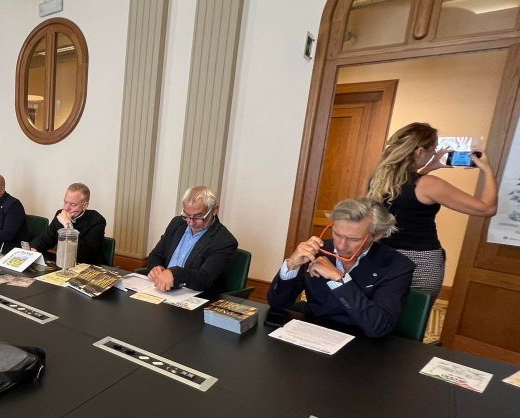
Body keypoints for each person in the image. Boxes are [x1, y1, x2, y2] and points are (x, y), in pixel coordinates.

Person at [367, 122, 498, 299]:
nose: (435, 153)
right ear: (420, 152)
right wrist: (487, 169)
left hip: (382, 256)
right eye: (434, 149)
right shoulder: (428, 185)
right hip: (420, 263)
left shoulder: (378, 179)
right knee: (414, 313)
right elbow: (487, 208)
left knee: (382, 309)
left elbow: (405, 194)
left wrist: (428, 168)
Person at [267, 197, 415, 338]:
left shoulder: (397, 266)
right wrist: (292, 265)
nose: (341, 245)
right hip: (312, 333)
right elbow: (277, 304)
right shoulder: (317, 250)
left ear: (377, 235)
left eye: (354, 239)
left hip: (362, 343)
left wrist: (339, 279)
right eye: (337, 234)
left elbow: (379, 327)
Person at [146, 185, 238, 297]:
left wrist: (175, 274)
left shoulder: (224, 240)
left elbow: (205, 278)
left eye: (198, 217)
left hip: (193, 297)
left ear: (214, 211)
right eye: (187, 215)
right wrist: (156, 268)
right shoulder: (177, 223)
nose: (191, 222)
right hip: (160, 290)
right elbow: (156, 255)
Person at [30, 182, 107, 264]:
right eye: (65, 202)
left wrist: (67, 224)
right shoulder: (61, 214)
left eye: (73, 204)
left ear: (85, 206)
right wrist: (33, 248)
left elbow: (84, 255)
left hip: (87, 266)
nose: (66, 208)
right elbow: (47, 238)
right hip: (64, 263)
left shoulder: (97, 220)